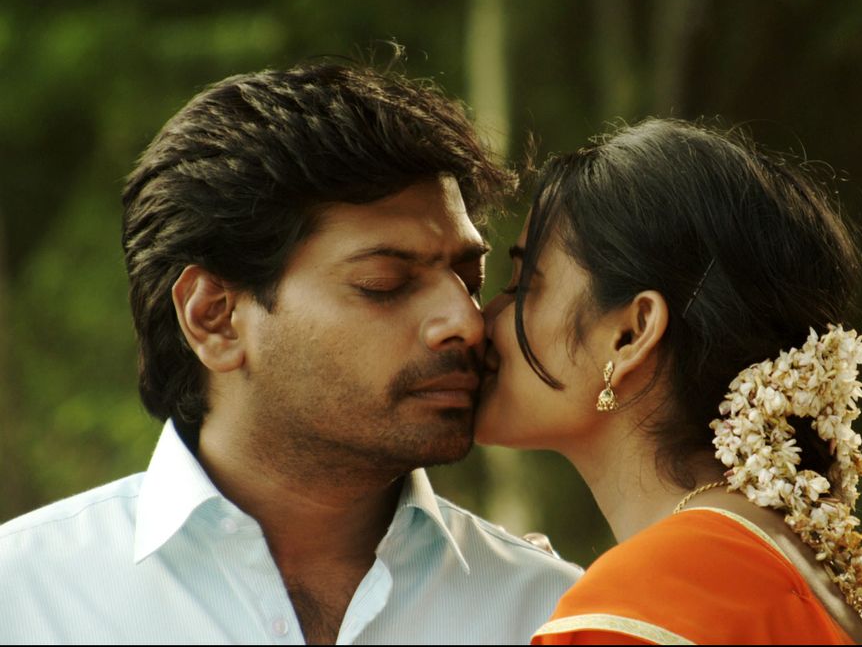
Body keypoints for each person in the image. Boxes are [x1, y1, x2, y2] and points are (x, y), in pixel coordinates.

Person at [0, 61, 580, 644]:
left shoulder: (553, 614)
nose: (467, 324)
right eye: (385, 283)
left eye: (470, 281)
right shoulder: (24, 596)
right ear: (214, 318)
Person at [476, 118, 862, 645]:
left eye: (522, 286)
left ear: (631, 333)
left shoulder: (636, 611)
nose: (483, 319)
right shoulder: (810, 574)